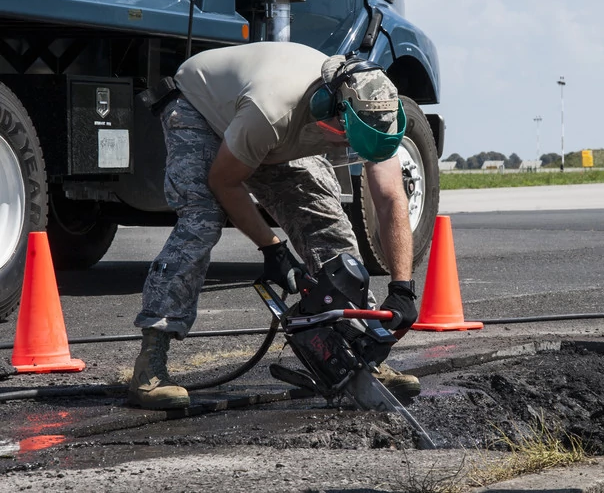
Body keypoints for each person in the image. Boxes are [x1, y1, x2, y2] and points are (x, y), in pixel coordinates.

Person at [128, 42, 420, 410]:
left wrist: (403, 287)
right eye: (347, 139)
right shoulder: (272, 110)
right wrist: (272, 249)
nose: (349, 148)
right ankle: (150, 364)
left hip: (276, 132)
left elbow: (391, 199)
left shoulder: (376, 109)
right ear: (330, 114)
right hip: (202, 110)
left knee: (328, 227)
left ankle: (361, 354)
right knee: (202, 219)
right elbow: (224, 182)